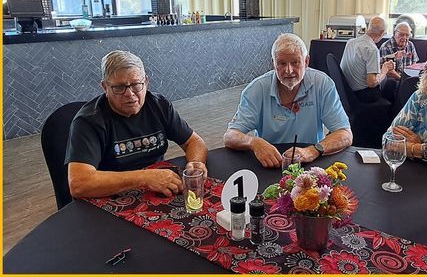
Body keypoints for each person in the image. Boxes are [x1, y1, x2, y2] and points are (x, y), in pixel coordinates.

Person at [67, 50, 210, 199]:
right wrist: (144, 178)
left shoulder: (159, 105)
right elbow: (79, 184)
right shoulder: (88, 121)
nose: (129, 94)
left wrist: (195, 163)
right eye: (119, 87)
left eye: (136, 84)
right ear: (105, 88)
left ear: (146, 82)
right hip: (109, 198)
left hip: (157, 190)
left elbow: (193, 141)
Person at [223, 33, 352, 168]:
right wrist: (253, 142)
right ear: (273, 63)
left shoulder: (323, 84)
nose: (289, 70)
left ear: (306, 61)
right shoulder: (257, 89)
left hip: (310, 162)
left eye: (295, 63)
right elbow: (230, 136)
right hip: (270, 163)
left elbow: (345, 134)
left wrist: (313, 150)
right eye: (282, 63)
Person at [341, 14, 406, 113]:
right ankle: (389, 118)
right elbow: (372, 83)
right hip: (363, 95)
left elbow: (362, 61)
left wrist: (388, 57)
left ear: (368, 27)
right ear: (382, 33)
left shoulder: (351, 42)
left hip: (347, 91)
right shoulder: (372, 49)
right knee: (391, 83)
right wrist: (385, 70)